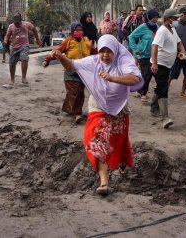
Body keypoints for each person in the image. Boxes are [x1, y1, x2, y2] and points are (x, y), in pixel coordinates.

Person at [50, 34, 143, 196]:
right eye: (102, 51)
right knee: (99, 138)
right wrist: (60, 56)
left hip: (119, 107)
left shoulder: (123, 61)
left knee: (118, 139)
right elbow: (71, 65)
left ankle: (121, 161)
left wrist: (113, 78)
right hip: (98, 105)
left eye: (109, 52)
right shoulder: (93, 61)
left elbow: (135, 79)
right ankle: (104, 182)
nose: (105, 55)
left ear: (115, 51)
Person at [43, 21, 97, 124]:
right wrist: (47, 60)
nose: (79, 32)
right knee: (74, 91)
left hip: (82, 72)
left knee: (80, 93)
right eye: (76, 30)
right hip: (70, 71)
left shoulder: (86, 40)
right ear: (72, 31)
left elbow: (94, 51)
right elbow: (57, 51)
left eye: (80, 30)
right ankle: (77, 114)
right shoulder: (68, 41)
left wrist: (104, 53)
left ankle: (73, 111)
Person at [150, 8, 186, 129]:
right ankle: (165, 117)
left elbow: (179, 42)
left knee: (162, 85)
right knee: (164, 88)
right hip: (159, 63)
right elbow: (154, 46)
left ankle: (153, 106)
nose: (176, 20)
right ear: (168, 19)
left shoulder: (173, 30)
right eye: (174, 18)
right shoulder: (162, 31)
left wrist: (183, 52)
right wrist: (154, 64)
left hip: (167, 65)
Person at [128, 9, 160, 103]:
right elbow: (131, 37)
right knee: (147, 73)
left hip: (153, 55)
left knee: (146, 74)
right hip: (142, 54)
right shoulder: (143, 27)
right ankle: (144, 93)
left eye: (157, 17)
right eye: (154, 17)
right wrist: (135, 49)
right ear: (149, 17)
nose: (155, 19)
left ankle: (139, 90)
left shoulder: (157, 28)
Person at [3, 13, 42, 86]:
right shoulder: (11, 26)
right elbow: (7, 36)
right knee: (12, 63)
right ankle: (12, 79)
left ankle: (23, 78)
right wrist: (5, 41)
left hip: (24, 45)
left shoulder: (27, 24)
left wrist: (37, 39)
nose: (16, 24)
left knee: (24, 59)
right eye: (15, 22)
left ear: (21, 20)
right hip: (14, 47)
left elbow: (34, 30)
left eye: (18, 22)